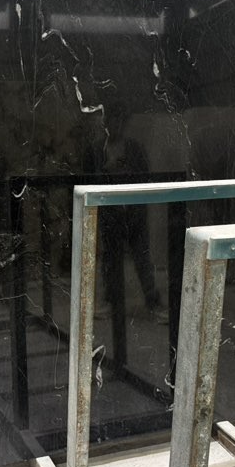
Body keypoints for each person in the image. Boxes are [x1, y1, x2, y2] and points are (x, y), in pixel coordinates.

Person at [95, 102, 168, 323]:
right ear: (106, 123)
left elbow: (145, 176)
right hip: (111, 212)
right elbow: (90, 180)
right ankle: (111, 301)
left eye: (119, 121)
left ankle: (153, 303)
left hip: (134, 211)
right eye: (111, 121)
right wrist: (108, 172)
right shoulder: (97, 149)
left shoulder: (134, 148)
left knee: (142, 259)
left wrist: (124, 170)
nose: (115, 126)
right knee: (111, 260)